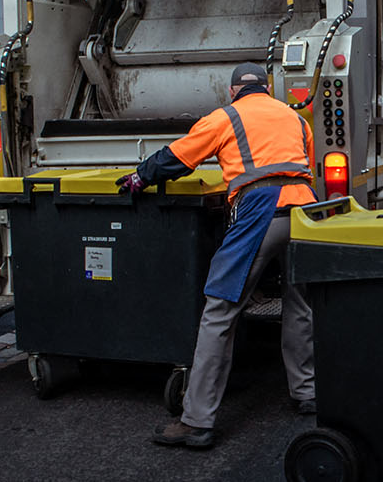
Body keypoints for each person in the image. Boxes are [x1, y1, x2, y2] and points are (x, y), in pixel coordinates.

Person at [117, 62, 316, 449]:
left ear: (232, 91)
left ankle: (197, 420)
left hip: (261, 211)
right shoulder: (296, 119)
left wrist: (140, 177)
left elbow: (178, 156)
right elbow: (303, 165)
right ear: (267, 88)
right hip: (305, 212)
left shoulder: (225, 117)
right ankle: (306, 391)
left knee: (220, 312)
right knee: (301, 306)